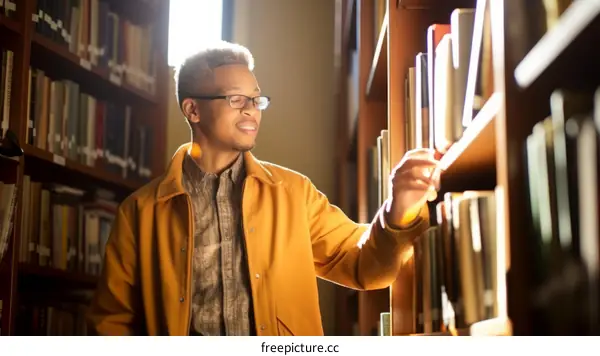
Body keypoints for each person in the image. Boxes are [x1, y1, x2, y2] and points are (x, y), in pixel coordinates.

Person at [87, 41, 441, 336]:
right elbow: (112, 324)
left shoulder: (294, 193)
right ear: (192, 109)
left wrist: (398, 210)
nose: (252, 112)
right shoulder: (140, 212)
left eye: (257, 100)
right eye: (237, 100)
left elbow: (365, 265)